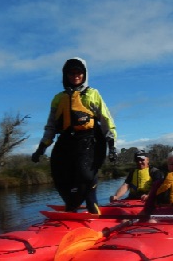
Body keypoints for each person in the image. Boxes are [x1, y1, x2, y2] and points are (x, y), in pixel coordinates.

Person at [31, 57, 117, 214]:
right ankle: (72, 205)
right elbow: (51, 125)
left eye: (79, 72)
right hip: (66, 139)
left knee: (85, 174)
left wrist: (111, 145)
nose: (75, 75)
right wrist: (41, 148)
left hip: (89, 138)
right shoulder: (58, 98)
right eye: (71, 72)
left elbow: (106, 119)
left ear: (84, 74)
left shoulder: (92, 94)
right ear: (66, 75)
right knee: (60, 175)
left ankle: (92, 205)